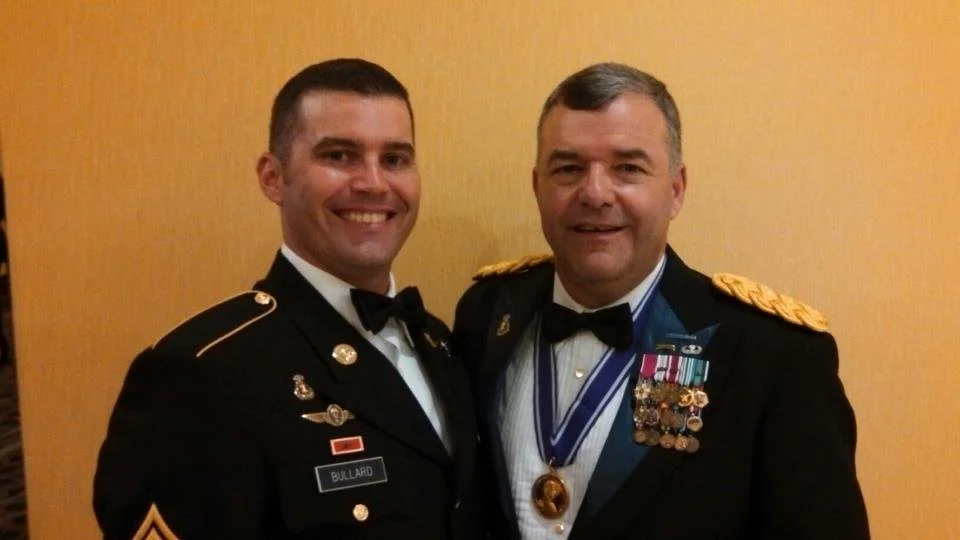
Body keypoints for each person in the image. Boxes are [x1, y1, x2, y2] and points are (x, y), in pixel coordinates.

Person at [453, 62, 869, 539]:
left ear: (675, 189)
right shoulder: (488, 314)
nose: (594, 193)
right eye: (568, 168)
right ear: (536, 187)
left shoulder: (775, 355)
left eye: (627, 168)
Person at [94, 58, 482, 539]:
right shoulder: (200, 373)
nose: (374, 183)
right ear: (273, 177)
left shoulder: (438, 342)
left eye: (395, 159)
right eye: (339, 155)